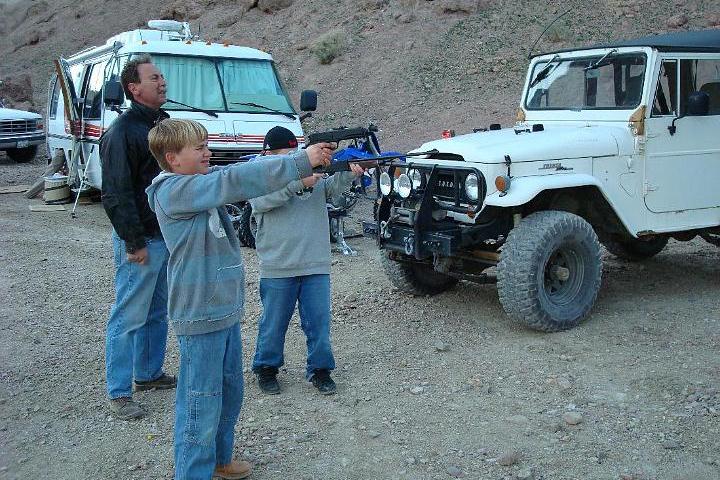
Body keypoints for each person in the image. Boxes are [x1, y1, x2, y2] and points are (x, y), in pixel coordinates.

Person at [145, 119, 333, 480]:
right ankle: (193, 472)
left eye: (206, 146)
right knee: (200, 399)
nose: (208, 153)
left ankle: (219, 459)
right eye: (198, 148)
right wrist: (298, 162)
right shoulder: (173, 191)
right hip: (200, 315)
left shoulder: (197, 184)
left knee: (229, 391)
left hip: (222, 310)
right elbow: (231, 181)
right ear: (172, 158)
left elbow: (233, 173)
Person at [250, 126, 364, 396]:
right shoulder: (259, 173)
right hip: (278, 263)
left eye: (295, 154)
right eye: (286, 156)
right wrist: (299, 182)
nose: (293, 160)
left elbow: (331, 191)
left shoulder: (311, 167)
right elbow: (261, 202)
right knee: (273, 324)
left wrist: (349, 174)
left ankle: (321, 370)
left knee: (319, 323)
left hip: (315, 262)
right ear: (271, 154)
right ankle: (266, 369)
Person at [99, 55, 175, 421]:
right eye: (154, 77)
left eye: (162, 76)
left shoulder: (164, 124)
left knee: (158, 310)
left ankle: (148, 373)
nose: (162, 82)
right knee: (129, 314)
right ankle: (118, 391)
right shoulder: (121, 132)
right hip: (143, 239)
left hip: (166, 236)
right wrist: (134, 243)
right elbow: (115, 194)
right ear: (134, 88)